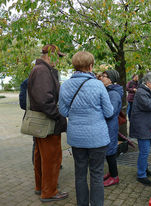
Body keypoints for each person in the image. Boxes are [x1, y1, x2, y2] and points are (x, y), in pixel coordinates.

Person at [59, 51, 113, 206]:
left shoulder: (65, 85)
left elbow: (63, 111)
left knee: (80, 174)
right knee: (96, 175)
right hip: (97, 138)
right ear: (91, 66)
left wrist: (76, 114)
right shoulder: (98, 85)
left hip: (77, 137)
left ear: (75, 66)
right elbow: (109, 112)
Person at [27, 44, 68, 202]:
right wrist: (58, 116)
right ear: (50, 54)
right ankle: (49, 192)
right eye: (58, 56)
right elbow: (45, 100)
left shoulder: (40, 69)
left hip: (42, 124)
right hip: (48, 124)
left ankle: (41, 187)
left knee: (41, 157)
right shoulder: (43, 71)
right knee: (51, 158)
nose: (58, 60)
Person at [130, 72, 151, 186]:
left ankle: (145, 169)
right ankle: (141, 175)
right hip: (142, 127)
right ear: (148, 83)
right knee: (144, 152)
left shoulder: (147, 91)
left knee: (146, 151)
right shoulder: (141, 92)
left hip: (147, 127)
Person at [100, 69, 123, 187]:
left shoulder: (113, 93)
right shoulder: (109, 91)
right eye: (102, 75)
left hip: (110, 126)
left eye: (104, 76)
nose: (101, 78)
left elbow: (111, 113)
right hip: (108, 125)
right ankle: (111, 172)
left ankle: (115, 177)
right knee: (109, 151)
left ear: (111, 80)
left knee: (110, 152)